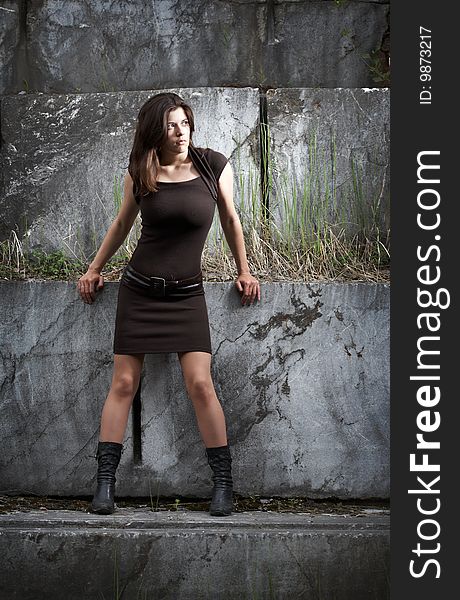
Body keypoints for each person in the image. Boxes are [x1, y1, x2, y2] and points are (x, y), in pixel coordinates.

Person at [77, 92, 260, 517]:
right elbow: (123, 222)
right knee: (123, 383)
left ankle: (223, 485)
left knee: (200, 384)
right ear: (155, 132)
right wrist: (94, 268)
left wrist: (244, 270)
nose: (181, 132)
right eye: (171, 125)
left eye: (185, 123)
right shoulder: (142, 170)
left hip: (186, 294)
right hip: (139, 289)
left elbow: (232, 220)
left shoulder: (212, 165)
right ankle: (104, 486)